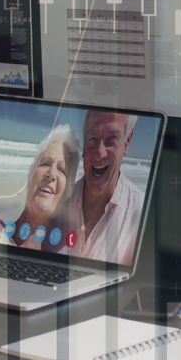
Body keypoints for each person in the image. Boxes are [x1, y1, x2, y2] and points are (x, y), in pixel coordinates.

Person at [0, 125, 80, 250]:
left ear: (68, 190)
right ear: (30, 176)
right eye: (45, 163)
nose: (51, 174)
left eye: (61, 170)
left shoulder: (68, 253)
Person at [61, 110, 144, 264]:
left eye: (111, 139)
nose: (99, 153)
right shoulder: (59, 202)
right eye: (92, 138)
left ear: (127, 141)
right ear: (84, 141)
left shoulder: (143, 216)